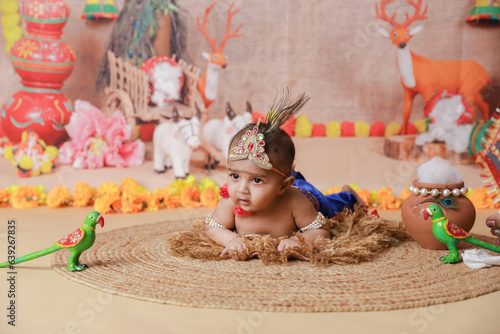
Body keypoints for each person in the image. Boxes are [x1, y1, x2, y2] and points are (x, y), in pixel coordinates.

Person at [205, 91, 359, 258]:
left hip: (308, 194)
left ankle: (348, 194)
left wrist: (299, 239)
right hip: (281, 181)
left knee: (332, 206)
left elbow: (321, 229)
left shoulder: (296, 202)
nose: (242, 189)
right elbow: (213, 228)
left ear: (284, 185)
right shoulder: (230, 203)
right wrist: (231, 239)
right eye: (235, 176)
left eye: (256, 180)